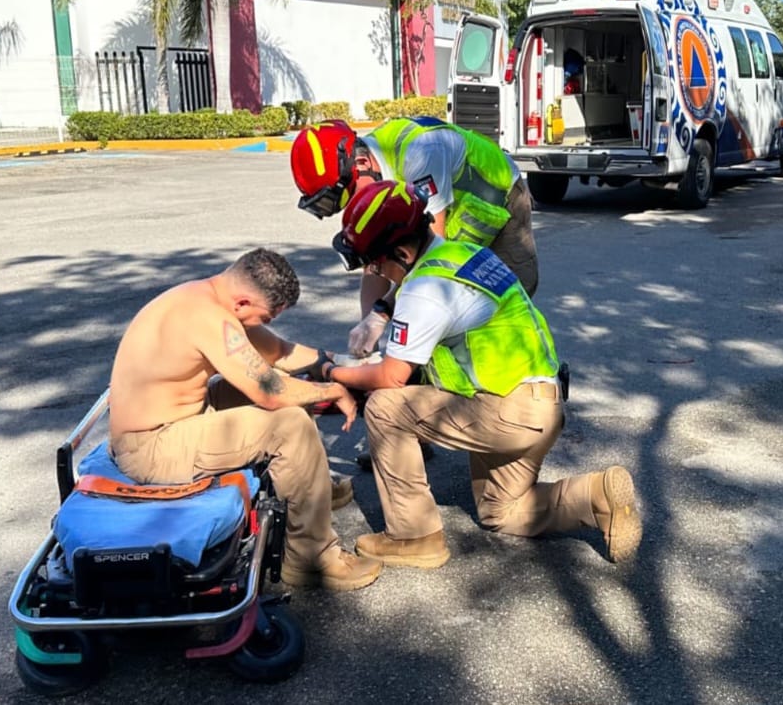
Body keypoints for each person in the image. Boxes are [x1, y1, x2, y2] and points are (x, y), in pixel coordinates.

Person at [321, 181, 643, 568]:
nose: (376, 273)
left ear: (403, 253)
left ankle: (413, 536)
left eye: (375, 264)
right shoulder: (466, 253)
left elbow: (391, 377)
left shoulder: (425, 290)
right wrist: (381, 314)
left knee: (386, 406)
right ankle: (597, 495)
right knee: (500, 511)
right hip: (541, 405)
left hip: (507, 412)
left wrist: (331, 371)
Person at [107, 248, 382, 591]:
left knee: (290, 397)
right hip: (151, 447)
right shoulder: (209, 318)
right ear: (242, 304)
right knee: (289, 422)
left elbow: (278, 353)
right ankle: (311, 558)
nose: (264, 326)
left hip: (175, 420)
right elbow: (271, 390)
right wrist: (333, 390)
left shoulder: (209, 297)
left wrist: (340, 365)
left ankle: (314, 490)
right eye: (265, 318)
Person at [290, 116, 540, 358]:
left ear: (363, 163)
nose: (356, 205)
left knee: (507, 292)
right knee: (441, 315)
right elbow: (375, 262)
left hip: (499, 194)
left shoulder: (420, 153)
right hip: (455, 211)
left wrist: (383, 312)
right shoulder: (370, 171)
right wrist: (369, 327)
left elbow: (430, 263)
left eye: (352, 195)